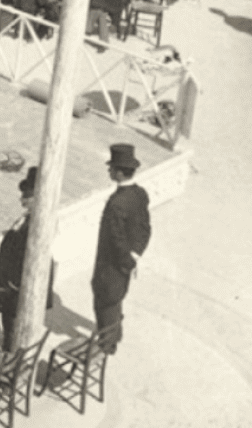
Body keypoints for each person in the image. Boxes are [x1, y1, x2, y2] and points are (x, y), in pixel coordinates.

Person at [0, 166, 54, 351]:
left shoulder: (36, 224)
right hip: (15, 281)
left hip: (17, 285)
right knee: (11, 321)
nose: (22, 200)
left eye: (27, 197)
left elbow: (29, 254)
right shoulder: (32, 218)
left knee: (12, 322)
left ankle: (10, 357)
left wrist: (14, 283)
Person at [92, 143, 151, 354]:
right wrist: (134, 256)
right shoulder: (140, 194)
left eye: (111, 168)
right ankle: (115, 334)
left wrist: (125, 259)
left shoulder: (116, 203)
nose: (109, 171)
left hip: (111, 264)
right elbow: (145, 229)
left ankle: (107, 345)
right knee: (116, 297)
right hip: (127, 261)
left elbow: (115, 239)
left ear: (118, 172)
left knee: (105, 301)